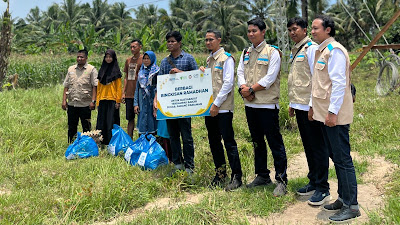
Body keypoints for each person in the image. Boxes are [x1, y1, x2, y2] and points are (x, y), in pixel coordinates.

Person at [309, 15, 360, 223]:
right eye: (311, 28)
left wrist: (332, 113)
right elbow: (319, 84)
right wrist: (314, 108)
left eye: (315, 28)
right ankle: (343, 198)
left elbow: (339, 84)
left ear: (328, 30)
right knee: (336, 158)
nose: (312, 31)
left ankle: (352, 206)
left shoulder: (335, 51)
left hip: (334, 116)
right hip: (325, 115)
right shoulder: (321, 51)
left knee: (343, 160)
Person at [237, 17, 288, 196]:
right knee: (257, 142)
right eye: (249, 31)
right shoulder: (245, 52)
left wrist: (250, 89)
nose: (251, 34)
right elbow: (240, 73)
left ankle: (281, 180)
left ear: (263, 32)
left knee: (274, 142)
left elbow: (270, 78)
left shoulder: (272, 52)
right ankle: (262, 175)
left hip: (267, 104)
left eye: (254, 31)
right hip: (250, 105)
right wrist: (243, 89)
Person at [286, 17, 329, 204]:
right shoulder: (295, 50)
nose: (292, 32)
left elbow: (316, 80)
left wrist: (312, 106)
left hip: (311, 108)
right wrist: (293, 104)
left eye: (295, 29)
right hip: (300, 105)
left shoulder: (311, 49)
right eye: (289, 30)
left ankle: (323, 188)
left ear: (304, 30)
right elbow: (297, 79)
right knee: (308, 147)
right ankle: (313, 181)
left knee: (318, 148)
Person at [199, 29, 243, 191]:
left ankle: (236, 176)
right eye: (206, 40)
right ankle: (220, 174)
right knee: (214, 142)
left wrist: (216, 104)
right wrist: (202, 73)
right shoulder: (209, 59)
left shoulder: (226, 59)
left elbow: (228, 83)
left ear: (219, 40)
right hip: (210, 110)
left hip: (222, 109)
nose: (208, 42)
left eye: (211, 39)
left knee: (229, 142)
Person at [156, 30, 198, 175]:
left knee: (186, 137)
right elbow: (160, 83)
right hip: (170, 106)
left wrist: (180, 73)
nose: (170, 44)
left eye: (173, 41)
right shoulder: (163, 62)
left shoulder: (188, 59)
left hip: (185, 105)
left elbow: (198, 78)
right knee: (173, 136)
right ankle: (177, 164)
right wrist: (157, 101)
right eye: (168, 41)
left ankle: (189, 166)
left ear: (179, 43)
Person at [62, 49, 98, 143]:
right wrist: (64, 100)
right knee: (71, 126)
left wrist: (93, 101)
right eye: (78, 57)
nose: (79, 59)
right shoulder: (71, 69)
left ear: (86, 58)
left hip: (85, 104)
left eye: (81, 57)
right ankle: (72, 145)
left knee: (86, 127)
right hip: (72, 103)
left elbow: (95, 86)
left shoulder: (91, 70)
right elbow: (66, 86)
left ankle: (87, 145)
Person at [96, 49, 122, 145]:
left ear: (113, 58)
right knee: (101, 122)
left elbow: (119, 87)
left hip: (112, 100)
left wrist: (118, 101)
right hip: (102, 100)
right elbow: (99, 88)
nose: (108, 58)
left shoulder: (116, 72)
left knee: (111, 123)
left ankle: (112, 143)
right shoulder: (102, 70)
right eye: (106, 57)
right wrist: (97, 101)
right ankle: (102, 143)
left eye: (110, 57)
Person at [134, 51, 159, 136]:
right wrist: (136, 104)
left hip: (152, 100)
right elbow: (137, 89)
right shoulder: (141, 72)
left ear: (152, 59)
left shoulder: (156, 71)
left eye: (148, 58)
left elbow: (159, 87)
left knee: (153, 121)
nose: (146, 60)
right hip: (142, 101)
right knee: (142, 121)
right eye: (144, 58)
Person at [123, 39, 143, 139]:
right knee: (130, 118)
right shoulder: (128, 60)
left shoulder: (144, 59)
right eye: (131, 47)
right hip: (130, 94)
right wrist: (124, 92)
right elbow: (126, 77)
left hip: (140, 93)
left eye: (134, 47)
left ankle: (141, 139)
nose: (132, 49)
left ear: (140, 47)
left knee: (141, 118)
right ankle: (129, 139)